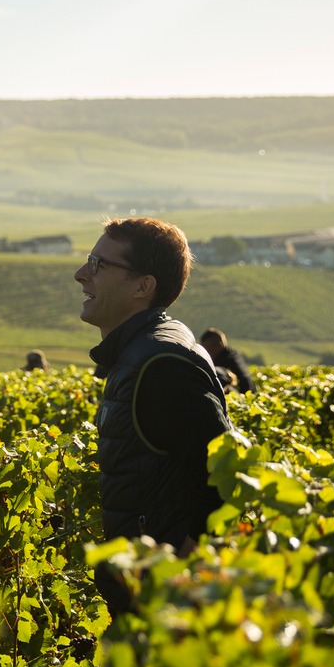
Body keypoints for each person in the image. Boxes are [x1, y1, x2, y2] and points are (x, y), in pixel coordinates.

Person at [75, 217, 238, 616]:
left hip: (162, 602)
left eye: (98, 264)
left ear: (142, 286)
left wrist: (173, 580)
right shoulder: (146, 352)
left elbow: (225, 473)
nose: (81, 275)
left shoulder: (159, 363)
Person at [198, 327, 256, 394]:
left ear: (218, 345)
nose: (205, 353)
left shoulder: (226, 361)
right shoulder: (234, 355)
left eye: (207, 349)